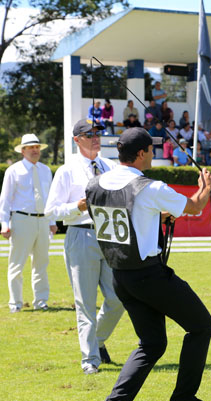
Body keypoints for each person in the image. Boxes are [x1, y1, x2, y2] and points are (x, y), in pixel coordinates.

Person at [87, 128, 211, 401]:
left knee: (153, 343)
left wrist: (157, 216)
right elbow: (194, 207)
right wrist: (205, 186)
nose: (154, 155)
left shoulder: (95, 184)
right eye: (151, 150)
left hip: (121, 275)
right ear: (143, 152)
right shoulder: (149, 187)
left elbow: (127, 216)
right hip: (149, 275)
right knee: (201, 326)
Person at [45, 119, 124, 375]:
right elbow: (50, 212)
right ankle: (89, 359)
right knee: (85, 303)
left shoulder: (110, 167)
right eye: (88, 134)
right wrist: (75, 207)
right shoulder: (66, 171)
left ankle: (97, 342)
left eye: (98, 133)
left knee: (118, 299)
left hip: (109, 235)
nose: (95, 137)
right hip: (80, 235)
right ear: (77, 139)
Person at [0, 134, 57, 313]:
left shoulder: (45, 170)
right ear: (23, 150)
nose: (35, 150)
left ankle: (41, 301)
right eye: (31, 147)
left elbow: (49, 198)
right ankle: (15, 303)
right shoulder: (13, 170)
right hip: (21, 219)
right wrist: (4, 223)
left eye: (37, 147)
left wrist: (52, 221)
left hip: (42, 220)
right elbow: (5, 199)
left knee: (41, 263)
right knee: (17, 264)